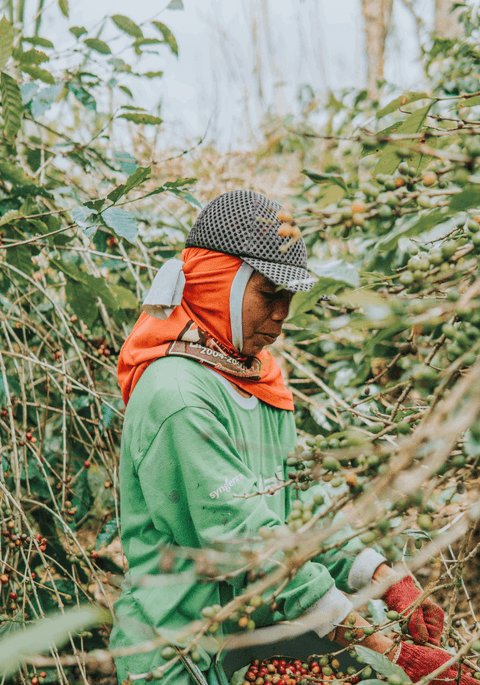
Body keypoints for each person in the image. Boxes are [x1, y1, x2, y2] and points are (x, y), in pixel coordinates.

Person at [109, 190, 473, 685]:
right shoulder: (176, 394)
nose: (281, 313)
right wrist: (385, 649)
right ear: (220, 284)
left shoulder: (259, 378)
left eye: (289, 297)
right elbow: (243, 538)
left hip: (247, 634)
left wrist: (382, 575)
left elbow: (297, 500)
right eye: (268, 293)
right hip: (178, 653)